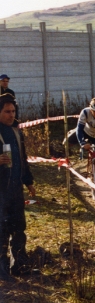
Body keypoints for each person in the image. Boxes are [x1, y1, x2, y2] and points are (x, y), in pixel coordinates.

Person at [0, 94, 36, 281]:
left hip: (15, 189)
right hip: (0, 191)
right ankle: (2, 268)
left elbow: (23, 159)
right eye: (6, 111)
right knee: (2, 229)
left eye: (13, 111)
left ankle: (20, 264)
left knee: (19, 226)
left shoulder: (16, 132)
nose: (10, 115)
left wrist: (28, 181)